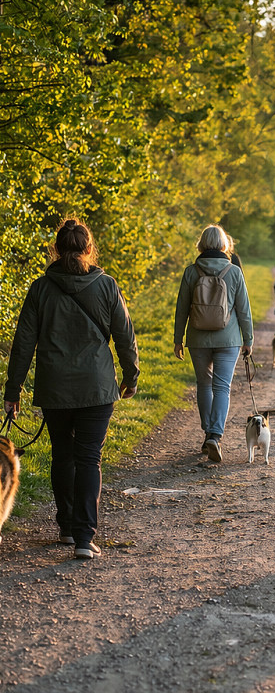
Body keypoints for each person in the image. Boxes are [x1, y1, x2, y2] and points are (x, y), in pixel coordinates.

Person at [3, 218, 139, 560]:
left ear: (56, 250)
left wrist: (13, 390)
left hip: (56, 387)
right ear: (89, 249)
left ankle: (65, 526)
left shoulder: (40, 289)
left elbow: (23, 344)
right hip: (96, 387)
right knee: (89, 458)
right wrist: (131, 375)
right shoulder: (107, 286)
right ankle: (83, 537)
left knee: (63, 455)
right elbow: (125, 336)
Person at [174, 224, 253, 464]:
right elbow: (244, 310)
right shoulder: (233, 271)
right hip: (228, 339)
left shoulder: (191, 272)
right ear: (223, 245)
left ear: (201, 244)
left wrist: (178, 339)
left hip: (197, 338)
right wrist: (248, 339)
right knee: (222, 388)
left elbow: (182, 309)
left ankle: (207, 432)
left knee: (204, 385)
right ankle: (215, 436)